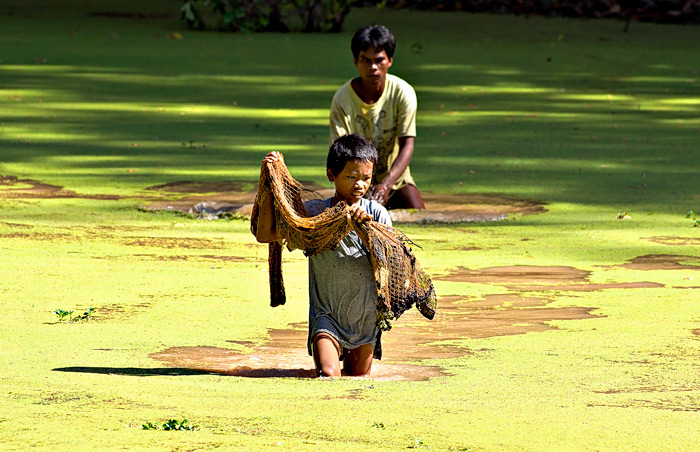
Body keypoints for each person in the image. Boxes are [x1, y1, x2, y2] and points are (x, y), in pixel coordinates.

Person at [254, 134, 392, 377]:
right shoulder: (316, 214)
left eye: (366, 178)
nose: (359, 185)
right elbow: (266, 234)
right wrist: (269, 180)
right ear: (331, 175)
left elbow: (389, 263)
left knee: (358, 379)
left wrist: (363, 229)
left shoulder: (376, 214)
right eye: (351, 177)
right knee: (328, 375)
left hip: (365, 316)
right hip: (326, 315)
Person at [329, 24, 425, 210]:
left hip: (395, 178)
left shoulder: (402, 93)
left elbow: (407, 145)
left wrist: (386, 185)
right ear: (356, 61)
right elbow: (339, 153)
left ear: (389, 61)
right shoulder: (342, 99)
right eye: (365, 60)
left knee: (421, 216)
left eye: (379, 60)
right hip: (356, 178)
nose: (372, 67)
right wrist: (359, 184)